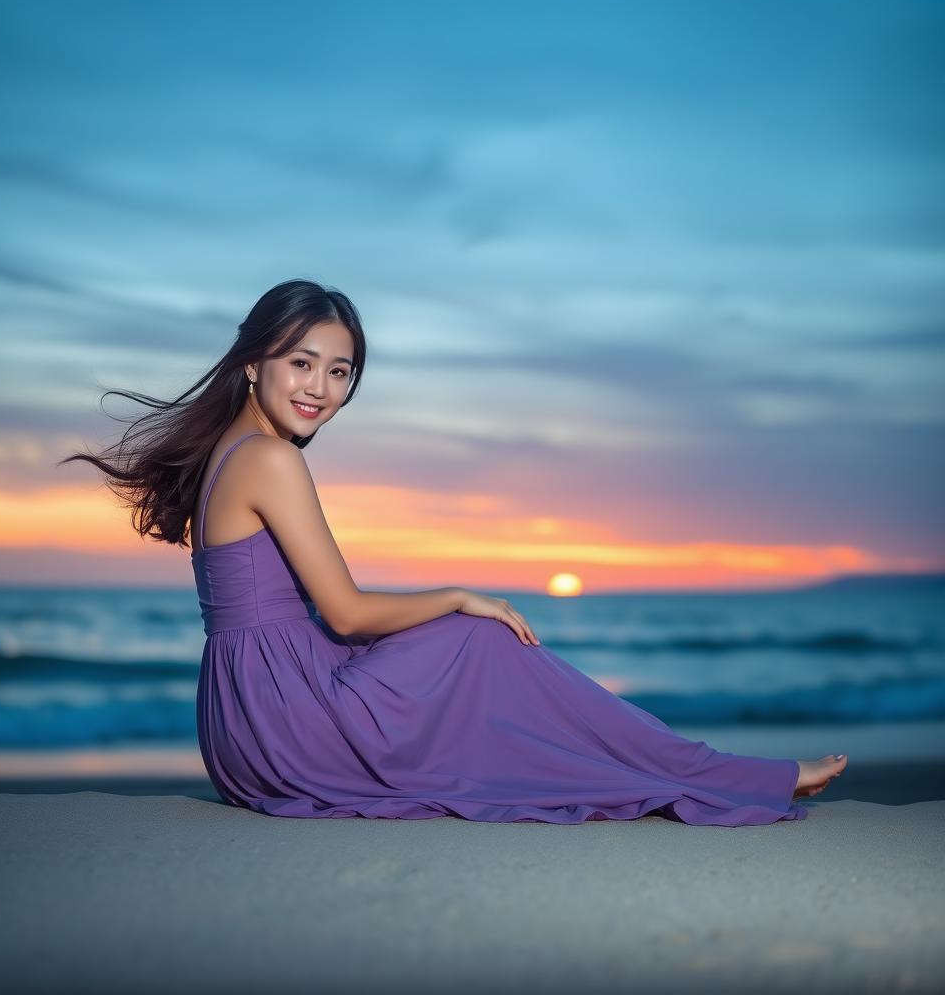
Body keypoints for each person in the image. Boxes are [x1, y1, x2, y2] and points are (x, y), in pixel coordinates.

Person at [62, 278, 848, 826]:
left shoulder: (232, 450)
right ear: (253, 363)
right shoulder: (270, 458)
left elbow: (315, 620)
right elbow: (346, 611)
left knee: (484, 683)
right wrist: (462, 595)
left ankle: (717, 771)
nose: (321, 389)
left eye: (340, 371)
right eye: (302, 363)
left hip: (244, 726)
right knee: (483, 642)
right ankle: (731, 774)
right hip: (291, 720)